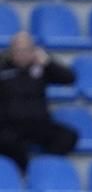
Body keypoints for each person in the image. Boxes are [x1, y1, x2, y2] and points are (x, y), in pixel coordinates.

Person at [0, 32, 77, 172]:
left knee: (68, 136)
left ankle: (42, 167)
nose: (22, 54)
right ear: (11, 51)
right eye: (18, 50)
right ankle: (23, 173)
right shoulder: (3, 66)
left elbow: (69, 78)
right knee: (8, 143)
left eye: (26, 50)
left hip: (39, 125)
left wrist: (48, 63)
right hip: (10, 127)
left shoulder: (43, 67)